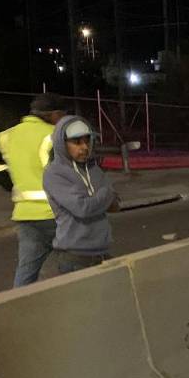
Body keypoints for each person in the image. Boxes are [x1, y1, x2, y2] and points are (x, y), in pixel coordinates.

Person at [0, 93, 66, 286]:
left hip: (25, 215)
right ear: (54, 114)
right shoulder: (55, 136)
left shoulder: (6, 136)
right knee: (79, 263)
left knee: (27, 271)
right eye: (62, 115)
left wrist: (12, 185)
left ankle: (20, 302)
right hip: (58, 214)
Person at [42, 116, 120, 274]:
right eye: (77, 142)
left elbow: (115, 205)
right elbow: (82, 208)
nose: (84, 147)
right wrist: (106, 194)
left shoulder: (94, 170)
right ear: (62, 144)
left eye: (87, 141)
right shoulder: (54, 173)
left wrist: (99, 201)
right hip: (75, 258)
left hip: (102, 252)